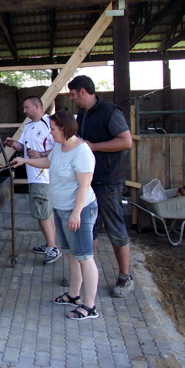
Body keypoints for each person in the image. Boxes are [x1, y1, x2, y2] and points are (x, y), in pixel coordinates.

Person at [12, 111, 99, 320]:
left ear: (65, 129)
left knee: (85, 257)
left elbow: (84, 186)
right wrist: (24, 161)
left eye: (53, 129)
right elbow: (48, 162)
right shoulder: (60, 148)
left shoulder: (82, 152)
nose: (50, 133)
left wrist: (76, 213)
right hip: (61, 209)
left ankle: (89, 306)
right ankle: (73, 295)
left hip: (78, 210)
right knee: (71, 254)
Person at [68, 75, 134, 298]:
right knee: (89, 227)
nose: (72, 99)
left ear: (84, 91)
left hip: (108, 180)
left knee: (115, 226)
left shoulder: (110, 112)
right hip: (88, 180)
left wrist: (94, 146)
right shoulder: (83, 114)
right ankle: (88, 273)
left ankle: (125, 278)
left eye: (74, 95)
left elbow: (126, 141)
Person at [4, 96, 59, 265]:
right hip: (33, 175)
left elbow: (59, 147)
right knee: (45, 212)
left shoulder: (50, 123)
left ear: (37, 106)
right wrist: (13, 144)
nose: (24, 111)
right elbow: (24, 147)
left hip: (44, 175)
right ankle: (51, 244)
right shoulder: (28, 126)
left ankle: (52, 248)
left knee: (42, 212)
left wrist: (41, 154)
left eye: (27, 107)